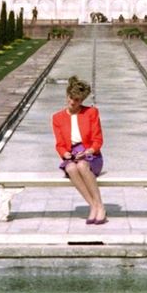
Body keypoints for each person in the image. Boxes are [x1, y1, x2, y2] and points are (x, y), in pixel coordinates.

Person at [52, 76, 105, 224]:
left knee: (82, 165)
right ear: (67, 95)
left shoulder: (91, 113)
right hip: (72, 155)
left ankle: (100, 206)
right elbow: (59, 144)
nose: (73, 102)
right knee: (71, 168)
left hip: (92, 156)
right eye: (71, 98)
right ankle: (93, 206)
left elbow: (98, 140)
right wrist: (65, 154)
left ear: (82, 100)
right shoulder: (57, 118)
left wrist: (88, 151)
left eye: (77, 100)